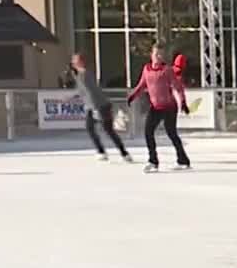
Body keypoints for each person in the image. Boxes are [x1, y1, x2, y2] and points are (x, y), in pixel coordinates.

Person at [127, 44, 191, 173]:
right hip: (155, 107)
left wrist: (183, 102)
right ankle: (153, 161)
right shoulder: (147, 69)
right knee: (148, 132)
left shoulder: (167, 70)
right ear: (151, 55)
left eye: (161, 54)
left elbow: (177, 87)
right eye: (156, 54)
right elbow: (141, 85)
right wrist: (133, 96)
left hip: (169, 107)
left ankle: (183, 160)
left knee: (172, 134)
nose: (158, 56)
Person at [72, 53, 131, 162]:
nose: (74, 63)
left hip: (100, 105)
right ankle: (101, 151)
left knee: (108, 130)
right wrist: (72, 97)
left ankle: (124, 153)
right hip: (93, 106)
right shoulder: (79, 75)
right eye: (74, 61)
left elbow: (91, 92)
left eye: (77, 61)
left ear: (81, 62)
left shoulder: (85, 75)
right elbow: (83, 92)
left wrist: (95, 109)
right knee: (90, 128)